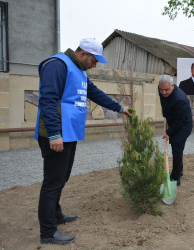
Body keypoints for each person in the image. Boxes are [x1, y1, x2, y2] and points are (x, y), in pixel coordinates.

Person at [35, 38, 131, 245]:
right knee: (52, 182)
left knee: (62, 177)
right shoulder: (57, 65)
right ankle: (48, 232)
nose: (95, 65)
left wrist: (120, 108)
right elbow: (47, 99)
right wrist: (53, 134)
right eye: (94, 61)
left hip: (69, 132)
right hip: (57, 134)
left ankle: (56, 215)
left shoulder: (79, 71)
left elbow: (94, 93)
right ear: (83, 54)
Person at [158, 74, 193, 186]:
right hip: (174, 119)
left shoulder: (180, 99)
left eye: (166, 90)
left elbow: (180, 121)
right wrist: (166, 115)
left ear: (173, 86)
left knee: (177, 149)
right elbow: (164, 101)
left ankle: (175, 177)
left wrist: (168, 132)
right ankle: (180, 170)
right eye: (161, 89)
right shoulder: (162, 89)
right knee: (177, 149)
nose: (163, 92)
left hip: (183, 124)